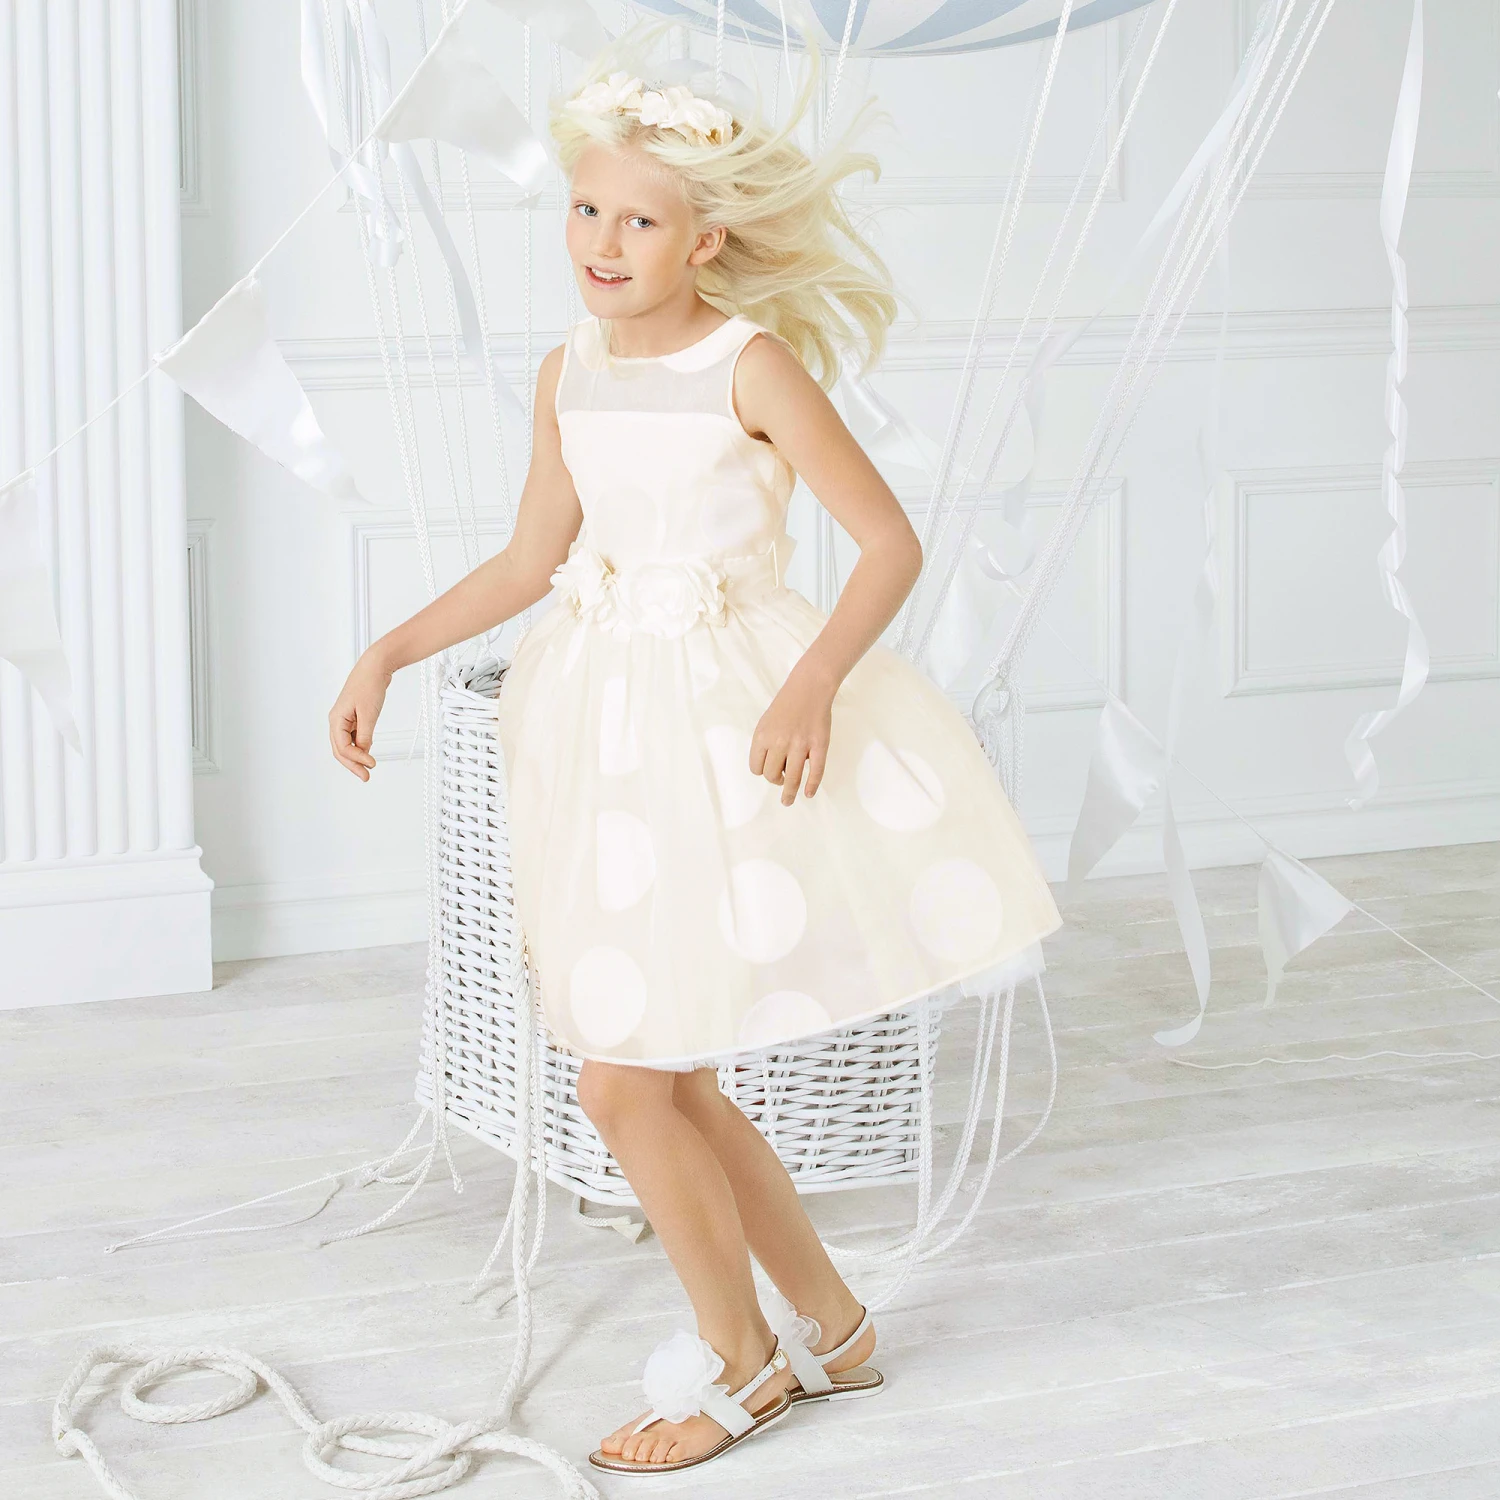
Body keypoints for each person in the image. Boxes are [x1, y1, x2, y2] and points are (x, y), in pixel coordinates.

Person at [328, 24, 1061, 1478]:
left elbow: (888, 543)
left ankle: (742, 1364)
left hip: (722, 730)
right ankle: (835, 1330)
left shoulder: (751, 364)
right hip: (600, 732)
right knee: (672, 1080)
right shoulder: (569, 372)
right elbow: (534, 557)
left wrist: (812, 686)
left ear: (706, 239)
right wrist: (389, 651)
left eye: (640, 221)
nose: (602, 243)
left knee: (622, 1083)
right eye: (585, 209)